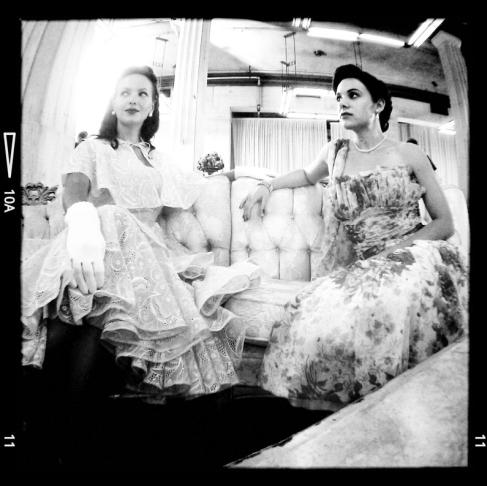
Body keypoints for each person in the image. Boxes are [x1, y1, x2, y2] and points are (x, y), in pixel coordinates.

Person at [21, 65, 254, 465]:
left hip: (147, 257)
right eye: (125, 92)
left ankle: (62, 440)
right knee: (108, 228)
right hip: (94, 242)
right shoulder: (92, 148)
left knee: (97, 329)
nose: (133, 99)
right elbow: (75, 192)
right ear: (113, 103)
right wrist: (84, 219)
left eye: (143, 94)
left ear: (151, 108)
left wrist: (255, 178)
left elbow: (202, 182)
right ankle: (56, 438)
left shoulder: (159, 159)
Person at [240, 64, 468, 411]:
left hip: (416, 253)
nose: (342, 102)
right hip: (366, 266)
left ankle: (409, 405)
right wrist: (266, 185)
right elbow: (305, 174)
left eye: (353, 95)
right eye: (338, 97)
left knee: (398, 295)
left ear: (378, 105)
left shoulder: (409, 153)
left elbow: (445, 222)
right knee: (308, 308)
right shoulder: (335, 152)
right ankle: (362, 412)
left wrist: (398, 250)